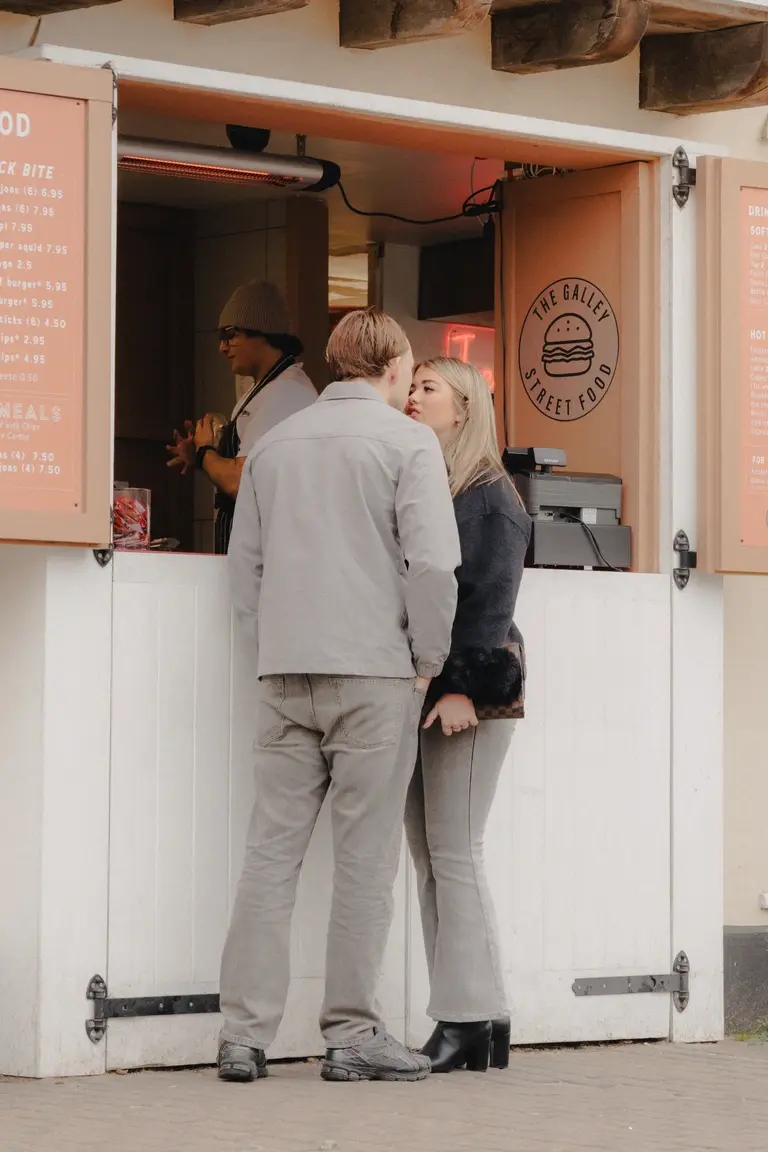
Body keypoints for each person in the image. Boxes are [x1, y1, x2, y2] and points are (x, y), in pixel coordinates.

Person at [219, 309, 461, 1084]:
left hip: (285, 670)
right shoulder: (408, 443)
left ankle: (241, 1037)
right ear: (393, 365)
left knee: (269, 856)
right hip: (375, 671)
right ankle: (352, 1034)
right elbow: (431, 568)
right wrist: (428, 658)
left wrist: (272, 646)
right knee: (364, 860)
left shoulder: (274, 445)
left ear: (331, 365)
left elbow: (244, 568)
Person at [403, 357, 531, 1074]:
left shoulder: (488, 497)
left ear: (463, 407)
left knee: (453, 852)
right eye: (413, 385)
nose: (414, 397)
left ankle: (465, 1019)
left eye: (428, 388)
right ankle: (487, 1014)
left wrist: (461, 688)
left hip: (469, 698)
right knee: (436, 854)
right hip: (438, 691)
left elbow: (489, 599)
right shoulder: (442, 484)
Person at [166, 280, 316, 553]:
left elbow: (240, 482)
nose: (222, 348)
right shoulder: (268, 389)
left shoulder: (285, 392)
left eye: (231, 335)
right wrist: (201, 457)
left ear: (263, 331)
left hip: (271, 560)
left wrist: (205, 452)